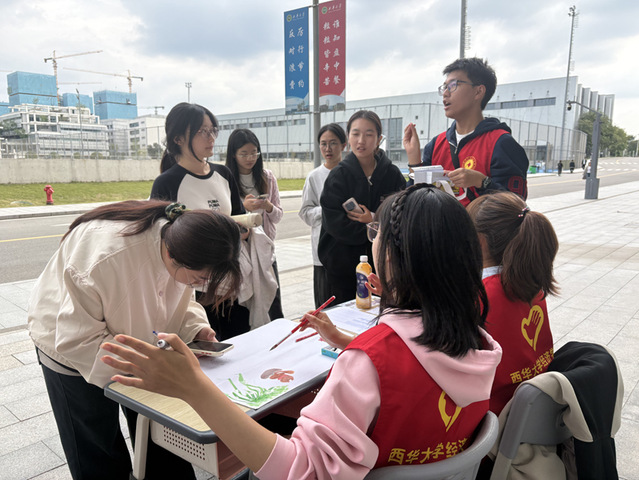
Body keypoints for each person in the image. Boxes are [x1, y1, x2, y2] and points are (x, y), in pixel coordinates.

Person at [100, 184, 502, 479]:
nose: (373, 238)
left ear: (395, 258)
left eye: (376, 231)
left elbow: (300, 472)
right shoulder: (479, 341)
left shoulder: (369, 364)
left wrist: (195, 388)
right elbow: (408, 382)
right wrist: (351, 346)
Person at [27, 200, 241, 480]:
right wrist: (146, 368)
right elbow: (76, 339)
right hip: (66, 343)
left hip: (133, 343)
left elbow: (181, 298)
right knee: (97, 444)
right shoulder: (106, 259)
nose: (199, 285)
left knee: (157, 430)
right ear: (174, 256)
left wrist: (196, 329)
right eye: (199, 278)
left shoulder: (182, 245)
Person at [150, 103, 249, 340]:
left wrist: (241, 230)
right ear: (178, 138)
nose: (211, 137)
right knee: (206, 347)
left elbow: (240, 219)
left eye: (213, 130)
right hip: (193, 288)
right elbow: (161, 239)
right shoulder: (167, 182)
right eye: (202, 131)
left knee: (239, 343)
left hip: (228, 279)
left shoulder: (224, 174)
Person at [466, 192, 558, 416]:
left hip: (493, 416)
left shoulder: (477, 297)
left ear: (479, 242)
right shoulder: (532, 285)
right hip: (534, 408)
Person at [403, 57, 529, 205]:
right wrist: (414, 161)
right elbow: (414, 201)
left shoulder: (501, 143)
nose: (445, 94)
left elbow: (515, 205)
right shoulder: (437, 144)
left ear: (478, 92)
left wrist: (482, 182)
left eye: (453, 85)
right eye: (444, 87)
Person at [319, 110, 406, 305]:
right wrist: (372, 229)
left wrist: (373, 220)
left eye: (369, 134)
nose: (361, 141)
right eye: (356, 134)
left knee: (379, 313)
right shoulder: (338, 176)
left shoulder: (392, 175)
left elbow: (401, 215)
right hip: (342, 268)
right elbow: (334, 223)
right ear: (348, 137)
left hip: (382, 267)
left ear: (379, 139)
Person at [225, 128, 284, 322]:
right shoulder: (226, 179)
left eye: (254, 153)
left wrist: (268, 207)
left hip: (265, 250)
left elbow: (278, 216)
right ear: (233, 154)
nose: (250, 158)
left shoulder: (267, 177)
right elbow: (224, 218)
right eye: (244, 154)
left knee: (273, 303)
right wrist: (244, 207)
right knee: (246, 303)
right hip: (241, 253)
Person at [298, 123, 347, 308]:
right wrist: (328, 209)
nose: (328, 149)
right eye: (323, 144)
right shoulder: (314, 176)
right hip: (323, 252)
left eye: (333, 143)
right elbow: (305, 212)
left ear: (343, 145)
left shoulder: (352, 173)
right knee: (324, 305)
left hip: (348, 250)